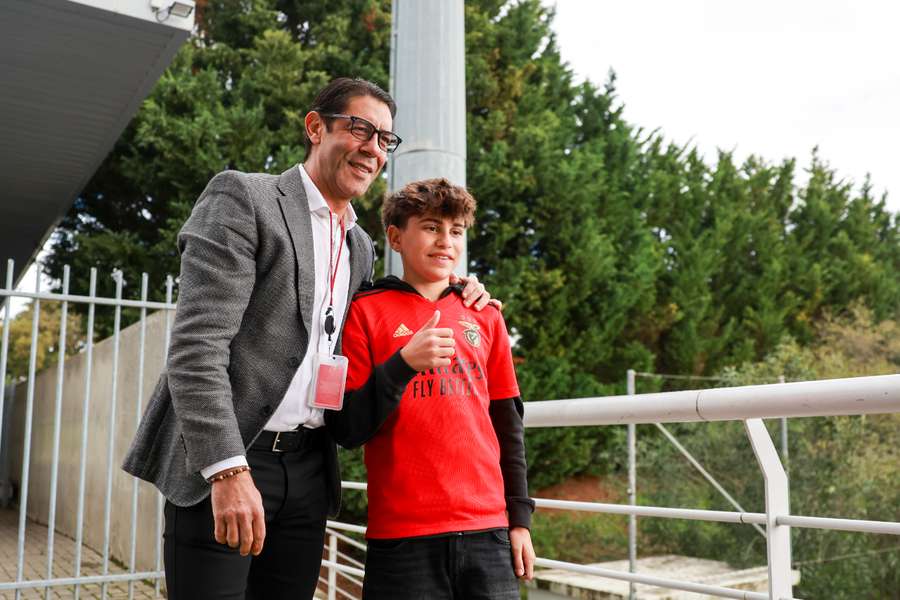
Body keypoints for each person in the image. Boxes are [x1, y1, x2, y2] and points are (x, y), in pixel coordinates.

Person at [122, 78, 493, 600]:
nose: (373, 148)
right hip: (232, 459)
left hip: (309, 472)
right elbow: (196, 349)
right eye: (359, 128)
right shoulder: (244, 198)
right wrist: (226, 471)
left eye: (385, 139)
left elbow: (387, 306)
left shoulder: (361, 245)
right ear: (315, 127)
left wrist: (457, 287)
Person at [326, 178, 536, 599]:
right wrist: (402, 365)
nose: (445, 242)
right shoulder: (365, 312)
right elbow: (346, 428)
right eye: (430, 227)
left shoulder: (484, 313)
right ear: (395, 237)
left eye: (455, 231)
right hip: (402, 537)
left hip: (488, 532)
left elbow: (507, 425)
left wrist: (520, 521)